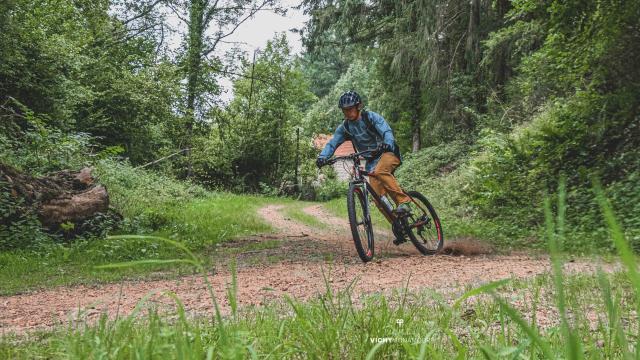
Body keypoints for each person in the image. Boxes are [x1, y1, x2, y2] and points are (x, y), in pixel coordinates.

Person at [316, 90, 411, 214]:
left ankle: (404, 201)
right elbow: (333, 143)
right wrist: (323, 157)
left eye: (350, 109)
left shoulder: (370, 117)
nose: (347, 112)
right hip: (371, 162)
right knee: (378, 199)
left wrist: (387, 143)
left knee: (381, 171)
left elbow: (386, 131)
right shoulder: (345, 127)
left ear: (358, 106)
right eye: (344, 110)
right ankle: (398, 225)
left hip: (388, 153)